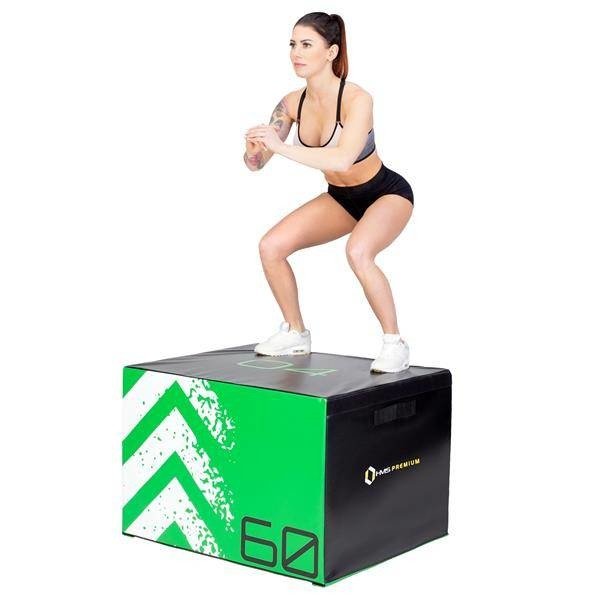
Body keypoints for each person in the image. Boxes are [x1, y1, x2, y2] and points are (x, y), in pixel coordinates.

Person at [243, 12, 414, 373]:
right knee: (271, 247)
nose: (296, 53)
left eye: (307, 45)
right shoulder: (291, 103)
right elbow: (256, 164)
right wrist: (254, 149)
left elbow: (343, 157)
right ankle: (295, 332)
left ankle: (394, 344)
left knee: (358, 252)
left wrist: (281, 147)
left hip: (385, 193)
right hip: (341, 198)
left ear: (331, 52)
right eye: (293, 44)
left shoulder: (357, 99)